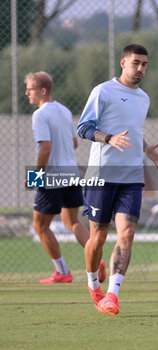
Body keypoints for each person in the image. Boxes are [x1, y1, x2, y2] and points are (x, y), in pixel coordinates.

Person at [77, 44, 158, 315]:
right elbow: (83, 128)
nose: (140, 69)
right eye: (136, 63)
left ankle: (113, 295)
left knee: (127, 233)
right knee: (99, 237)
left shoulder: (144, 98)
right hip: (102, 175)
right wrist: (109, 138)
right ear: (123, 62)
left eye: (144, 65)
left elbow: (134, 132)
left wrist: (146, 148)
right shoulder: (103, 91)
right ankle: (94, 286)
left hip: (131, 176)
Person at [25, 71, 106, 284]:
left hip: (52, 176)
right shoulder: (64, 110)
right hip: (71, 174)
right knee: (73, 222)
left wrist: (35, 176)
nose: (27, 93)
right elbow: (75, 143)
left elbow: (45, 148)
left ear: (42, 91)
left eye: (30, 89)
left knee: (40, 226)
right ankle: (97, 258)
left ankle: (62, 272)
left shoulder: (39, 115)